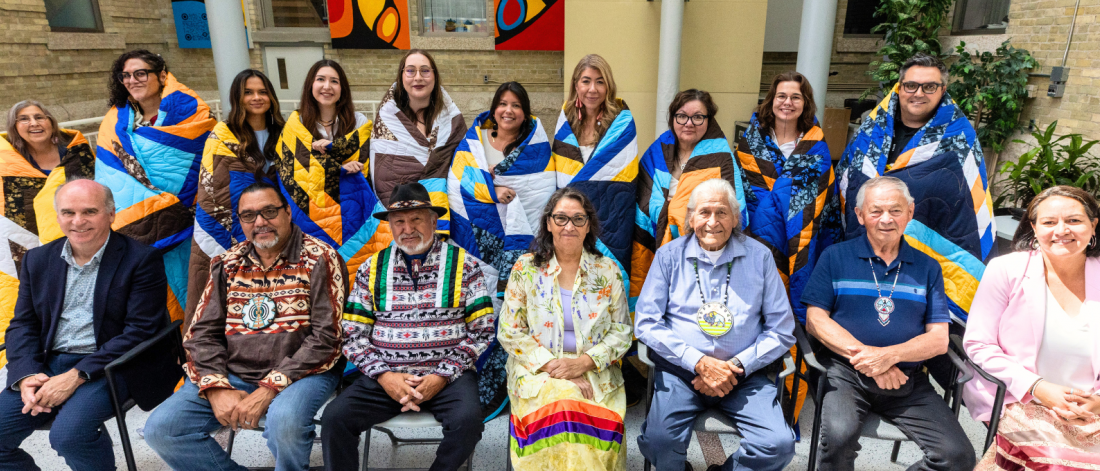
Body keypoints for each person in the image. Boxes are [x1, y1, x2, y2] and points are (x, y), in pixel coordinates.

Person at [145, 182, 347, 471]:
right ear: (240, 221)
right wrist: (216, 387)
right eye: (249, 216)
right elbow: (201, 333)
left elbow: (327, 338)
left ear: (288, 212)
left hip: (304, 373)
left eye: (269, 211)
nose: (260, 222)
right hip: (235, 371)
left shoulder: (321, 258)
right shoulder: (227, 263)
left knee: (284, 424)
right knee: (162, 429)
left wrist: (268, 389)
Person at [0, 179, 179, 471]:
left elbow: (140, 331)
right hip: (47, 363)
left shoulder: (141, 260)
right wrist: (26, 375)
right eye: (68, 212)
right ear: (57, 216)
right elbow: (23, 324)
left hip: (112, 364)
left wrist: (77, 375)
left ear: (111, 214)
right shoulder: (38, 259)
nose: (78, 221)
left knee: (69, 435)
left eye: (89, 212)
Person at [800, 176, 976, 470]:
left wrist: (889, 357)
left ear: (910, 212)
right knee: (839, 438)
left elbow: (938, 339)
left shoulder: (928, 267)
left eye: (895, 210)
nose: (886, 219)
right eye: (875, 211)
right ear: (859, 215)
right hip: (844, 372)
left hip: (906, 376)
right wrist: (871, 360)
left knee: (957, 456)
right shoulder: (835, 256)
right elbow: (815, 321)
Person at [322, 182, 494, 471]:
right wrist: (386, 377)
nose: (407, 228)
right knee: (335, 419)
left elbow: (482, 331)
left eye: (416, 219)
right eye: (399, 221)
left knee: (468, 422)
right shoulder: (371, 267)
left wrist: (440, 376)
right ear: (390, 225)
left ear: (434, 221)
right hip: (385, 376)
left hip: (448, 377)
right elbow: (352, 335)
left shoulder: (465, 265)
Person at [635, 178, 796, 471]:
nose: (713, 221)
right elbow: (646, 322)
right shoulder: (668, 256)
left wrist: (734, 367)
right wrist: (698, 362)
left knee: (778, 445)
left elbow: (782, 329)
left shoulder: (760, 257)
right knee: (658, 440)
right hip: (681, 372)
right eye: (704, 212)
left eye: (722, 212)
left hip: (744, 375)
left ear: (735, 218)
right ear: (690, 218)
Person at [835, 53, 994, 329]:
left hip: (920, 268)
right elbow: (847, 183)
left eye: (929, 86)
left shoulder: (958, 139)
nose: (918, 93)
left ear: (942, 90)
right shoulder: (871, 130)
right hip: (862, 253)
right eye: (911, 85)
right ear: (899, 87)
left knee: (908, 333)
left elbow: (968, 206)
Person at [963, 186, 1100, 469]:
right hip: (1018, 397)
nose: (1062, 230)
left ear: (1093, 225)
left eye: (1074, 220)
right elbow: (978, 343)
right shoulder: (1006, 270)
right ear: (1034, 228)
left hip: (1091, 404)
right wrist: (1038, 387)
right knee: (1059, 464)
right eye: (1049, 222)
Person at [499, 187, 633, 470]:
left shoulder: (607, 270)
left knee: (578, 408)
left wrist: (583, 363)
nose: (569, 226)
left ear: (588, 226)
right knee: (566, 400)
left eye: (578, 219)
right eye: (560, 218)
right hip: (538, 372)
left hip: (595, 371)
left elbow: (622, 332)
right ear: (549, 223)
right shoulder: (525, 269)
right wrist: (555, 367)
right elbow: (510, 331)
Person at [447, 81, 555, 418]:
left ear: (525, 113)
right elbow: (459, 184)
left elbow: (541, 193)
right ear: (494, 108)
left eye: (516, 106)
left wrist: (513, 192)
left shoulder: (537, 149)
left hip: (518, 241)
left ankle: (516, 376)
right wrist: (490, 190)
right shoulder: (475, 143)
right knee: (481, 303)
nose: (508, 111)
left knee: (514, 305)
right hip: (479, 242)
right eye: (502, 104)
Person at [95, 49, 217, 325]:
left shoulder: (193, 113)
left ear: (162, 75)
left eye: (140, 73)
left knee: (200, 288)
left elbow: (208, 162)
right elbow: (109, 174)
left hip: (191, 220)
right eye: (125, 75)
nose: (132, 80)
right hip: (137, 225)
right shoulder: (113, 122)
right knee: (155, 298)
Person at [736, 72, 842, 324]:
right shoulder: (750, 142)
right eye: (781, 96)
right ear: (771, 100)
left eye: (796, 97)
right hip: (756, 236)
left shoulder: (815, 144)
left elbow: (824, 200)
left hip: (802, 235)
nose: (788, 102)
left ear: (805, 103)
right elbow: (743, 192)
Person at [186, 69, 287, 325]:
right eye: (248, 92)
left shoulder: (286, 134)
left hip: (279, 227)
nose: (256, 98)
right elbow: (213, 190)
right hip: (235, 228)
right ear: (237, 98)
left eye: (263, 92)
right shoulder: (222, 136)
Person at [0, 100, 95, 368]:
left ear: (51, 122)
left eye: (39, 117)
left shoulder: (77, 153)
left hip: (79, 233)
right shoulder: (5, 162)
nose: (33, 123)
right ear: (14, 127)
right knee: (35, 296)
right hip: (24, 241)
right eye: (24, 119)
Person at [634, 89, 748, 310]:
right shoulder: (658, 150)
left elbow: (734, 205)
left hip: (704, 249)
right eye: (682, 116)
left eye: (698, 117)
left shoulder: (721, 155)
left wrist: (677, 212)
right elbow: (643, 195)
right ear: (673, 118)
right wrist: (670, 214)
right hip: (658, 243)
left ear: (708, 120)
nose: (689, 123)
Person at [275, 59, 390, 276]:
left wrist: (333, 157)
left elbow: (365, 166)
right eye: (321, 79)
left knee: (356, 268)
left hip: (351, 208)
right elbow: (289, 172)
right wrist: (337, 167)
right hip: (310, 210)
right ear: (311, 85)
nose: (327, 86)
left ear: (342, 89)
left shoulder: (358, 122)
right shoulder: (296, 124)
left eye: (334, 81)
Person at [551, 54, 638, 300]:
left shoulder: (621, 120)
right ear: (575, 85)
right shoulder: (566, 120)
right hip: (570, 216)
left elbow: (623, 171)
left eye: (600, 82)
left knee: (606, 283)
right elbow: (558, 169)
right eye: (586, 81)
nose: (592, 89)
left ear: (608, 86)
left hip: (610, 213)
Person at [369, 49, 466, 234]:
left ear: (434, 76)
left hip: (445, 210)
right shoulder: (386, 120)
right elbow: (381, 167)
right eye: (411, 71)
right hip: (399, 217)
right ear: (402, 76)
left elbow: (465, 160)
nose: (418, 77)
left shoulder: (452, 121)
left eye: (425, 71)